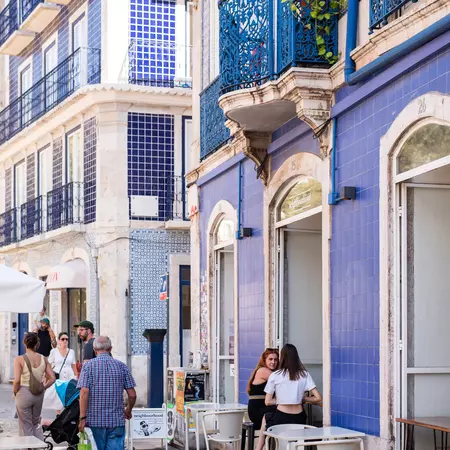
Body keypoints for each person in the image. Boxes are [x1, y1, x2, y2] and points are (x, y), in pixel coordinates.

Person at [255, 344, 322, 450]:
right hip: (299, 418)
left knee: (266, 418)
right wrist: (302, 399)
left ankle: (258, 448)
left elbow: (267, 402)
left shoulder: (275, 375)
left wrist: (282, 400)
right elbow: (318, 398)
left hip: (281, 417)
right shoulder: (304, 374)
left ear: (282, 358)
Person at [78, 336, 137, 449]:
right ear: (110, 349)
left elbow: (84, 393)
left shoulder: (88, 366)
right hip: (116, 421)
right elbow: (132, 395)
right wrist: (128, 410)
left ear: (94, 350)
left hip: (94, 421)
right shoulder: (122, 366)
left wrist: (82, 418)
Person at [13, 332, 56, 439]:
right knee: (35, 423)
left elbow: (17, 380)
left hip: (23, 392)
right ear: (37, 344)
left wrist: (15, 392)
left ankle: (28, 446)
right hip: (39, 394)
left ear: (24, 343)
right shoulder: (43, 359)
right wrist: (43, 388)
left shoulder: (19, 359)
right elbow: (53, 378)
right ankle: (38, 445)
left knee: (25, 424)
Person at [43, 332, 77, 414]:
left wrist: (76, 376)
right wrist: (46, 375)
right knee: (58, 396)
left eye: (67, 339)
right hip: (59, 376)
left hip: (69, 377)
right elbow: (49, 365)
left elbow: (74, 365)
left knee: (68, 396)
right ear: (59, 340)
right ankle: (58, 415)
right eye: (63, 339)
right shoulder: (54, 351)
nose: (65, 341)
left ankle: (66, 415)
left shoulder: (71, 352)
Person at [247, 348, 279, 430]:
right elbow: (282, 381)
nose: (273, 362)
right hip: (258, 411)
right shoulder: (263, 370)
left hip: (263, 409)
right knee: (285, 412)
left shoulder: (271, 372)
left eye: (275, 359)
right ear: (264, 360)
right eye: (270, 359)